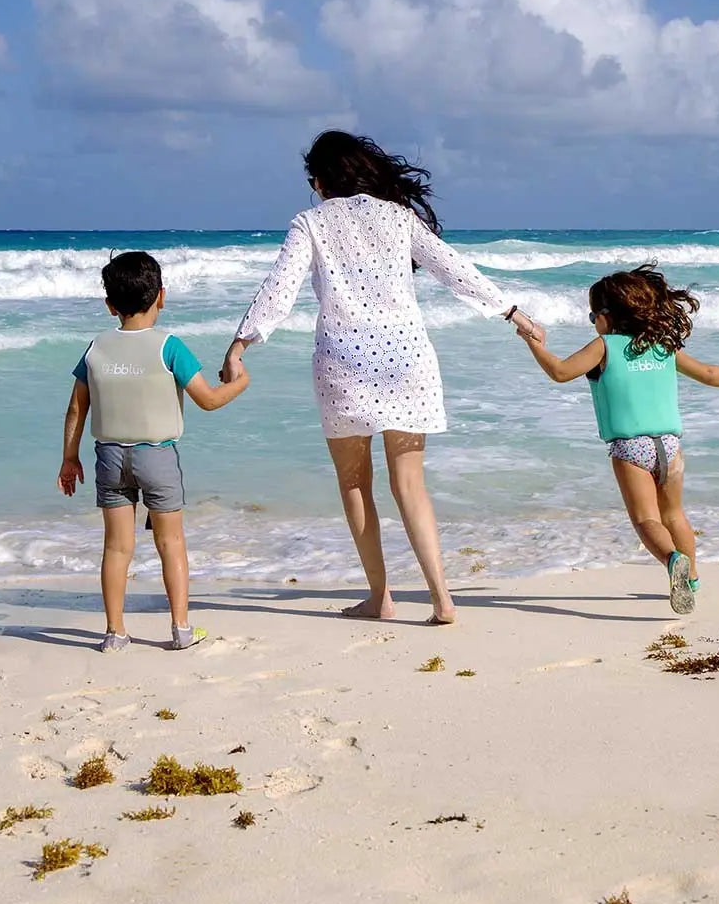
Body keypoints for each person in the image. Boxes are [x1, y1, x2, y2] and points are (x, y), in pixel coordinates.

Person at [220, 130, 539, 625]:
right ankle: (441, 599)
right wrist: (511, 311)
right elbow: (453, 269)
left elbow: (278, 290)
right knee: (410, 485)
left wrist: (242, 342)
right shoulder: (398, 216)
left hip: (342, 365)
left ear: (323, 180)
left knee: (354, 484)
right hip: (407, 360)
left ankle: (380, 598)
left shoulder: (311, 223)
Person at [517, 263, 719, 614]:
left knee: (646, 520)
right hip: (670, 446)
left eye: (593, 315)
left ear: (607, 316)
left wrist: (535, 344)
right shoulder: (662, 346)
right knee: (674, 514)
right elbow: (710, 374)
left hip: (629, 447)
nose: (593, 322)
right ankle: (692, 578)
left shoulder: (604, 346)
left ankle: (672, 561)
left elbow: (560, 372)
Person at [57, 251, 250, 652]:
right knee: (171, 542)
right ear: (161, 296)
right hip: (157, 456)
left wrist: (69, 457)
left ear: (110, 304)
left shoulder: (95, 348)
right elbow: (209, 400)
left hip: (108, 456)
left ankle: (115, 633)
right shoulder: (170, 347)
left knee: (116, 547)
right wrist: (241, 382)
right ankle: (180, 629)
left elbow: (78, 407)